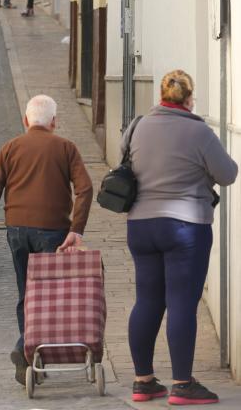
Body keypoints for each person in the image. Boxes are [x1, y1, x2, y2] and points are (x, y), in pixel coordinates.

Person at [123, 70, 238, 406]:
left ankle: (143, 381)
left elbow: (125, 155)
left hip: (141, 225)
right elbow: (228, 174)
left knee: (147, 300)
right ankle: (182, 384)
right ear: (189, 98)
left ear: (161, 96)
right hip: (186, 226)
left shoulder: (138, 125)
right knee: (182, 303)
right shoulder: (198, 131)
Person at [0, 94, 93, 385]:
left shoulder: (10, 147)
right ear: (54, 122)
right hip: (53, 232)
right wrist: (76, 230)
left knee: (26, 293)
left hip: (17, 231)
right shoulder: (65, 147)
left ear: (26, 121)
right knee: (49, 296)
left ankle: (27, 357)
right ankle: (25, 350)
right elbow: (85, 189)